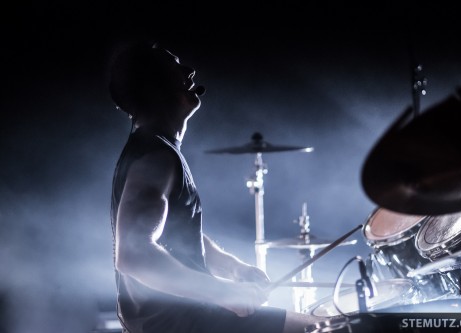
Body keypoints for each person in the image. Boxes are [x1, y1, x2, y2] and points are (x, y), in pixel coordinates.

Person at [108, 40, 321, 333]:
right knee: (328, 328)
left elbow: (179, 236)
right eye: (174, 67)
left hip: (190, 321)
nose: (190, 71)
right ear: (153, 87)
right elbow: (133, 255)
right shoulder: (155, 157)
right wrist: (224, 293)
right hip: (187, 325)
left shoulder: (158, 150)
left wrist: (235, 269)